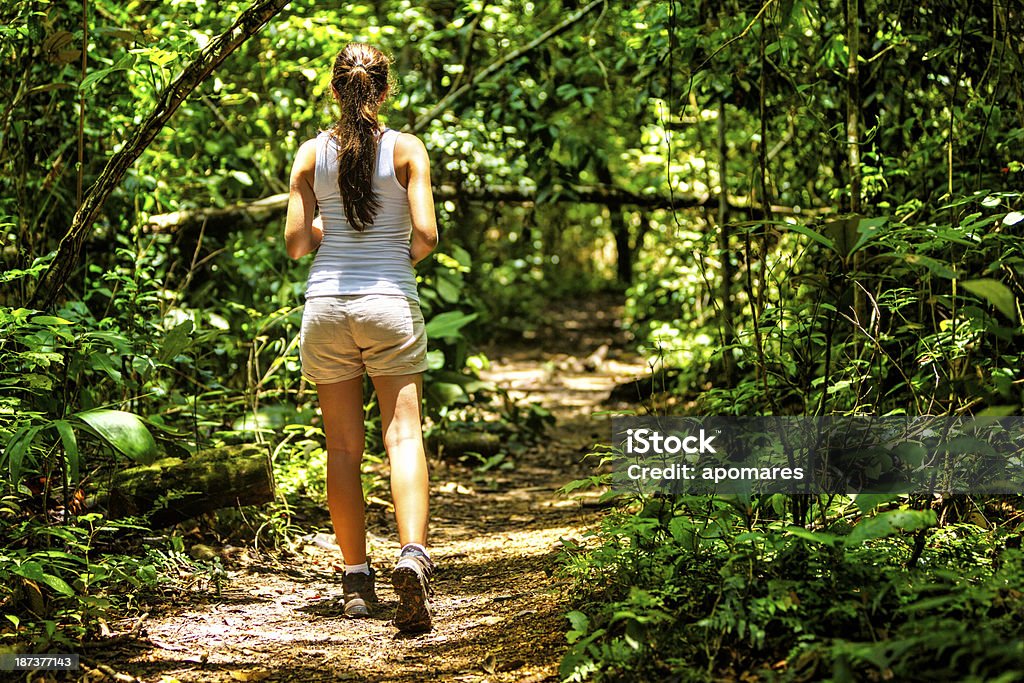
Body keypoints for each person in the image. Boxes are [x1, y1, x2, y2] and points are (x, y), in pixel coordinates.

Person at [284, 42, 438, 633]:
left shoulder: (307, 153)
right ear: (384, 91)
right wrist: (392, 258)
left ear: (333, 90)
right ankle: (412, 556)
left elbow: (298, 243)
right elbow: (424, 234)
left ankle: (354, 579)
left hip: (325, 309)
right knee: (402, 438)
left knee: (343, 449)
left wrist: (328, 227)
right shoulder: (405, 149)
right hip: (389, 302)